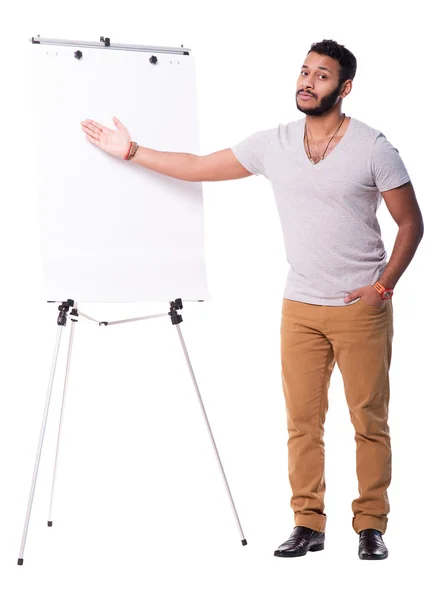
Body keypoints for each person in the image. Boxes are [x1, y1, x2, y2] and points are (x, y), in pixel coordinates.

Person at [80, 38, 424, 560]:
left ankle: (370, 525)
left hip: (361, 308)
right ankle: (307, 524)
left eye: (322, 75)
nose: (308, 81)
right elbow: (199, 166)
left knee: (367, 420)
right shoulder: (275, 144)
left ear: (345, 87)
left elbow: (411, 223)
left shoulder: (374, 146)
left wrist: (382, 288)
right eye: (304, 71)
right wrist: (130, 151)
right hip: (301, 307)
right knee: (302, 423)